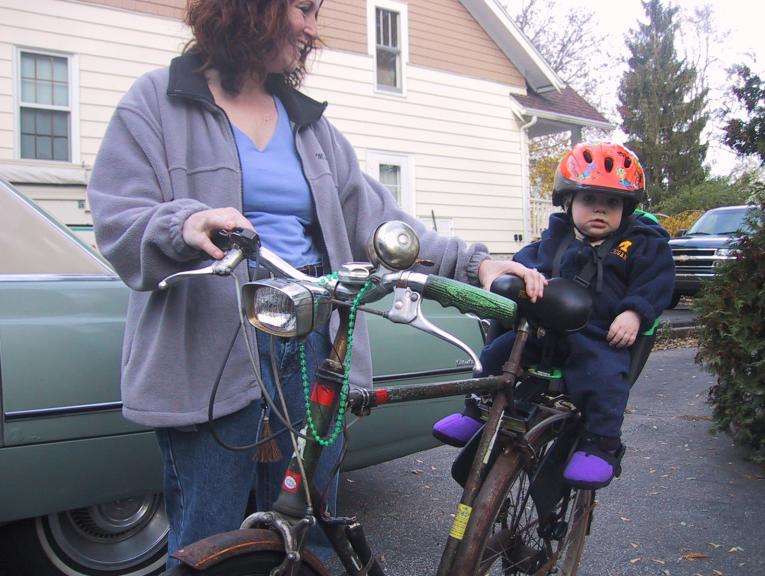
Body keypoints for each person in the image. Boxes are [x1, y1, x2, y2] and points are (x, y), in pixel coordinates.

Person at [86, 0, 524, 568]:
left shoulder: (309, 125)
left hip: (312, 338)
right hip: (208, 346)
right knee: (207, 535)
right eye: (304, 9)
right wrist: (184, 223)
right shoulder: (158, 102)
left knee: (311, 527)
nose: (314, 29)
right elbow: (118, 219)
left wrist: (475, 265)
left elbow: (381, 224)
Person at [433, 142, 674, 489]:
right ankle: (476, 409)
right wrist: (518, 278)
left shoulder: (640, 244)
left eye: (612, 203)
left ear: (627, 208)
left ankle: (600, 443)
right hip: (543, 331)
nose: (600, 209)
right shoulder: (554, 239)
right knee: (496, 354)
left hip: (598, 334)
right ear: (568, 201)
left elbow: (656, 281)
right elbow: (524, 265)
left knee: (605, 377)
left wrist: (634, 312)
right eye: (589, 199)